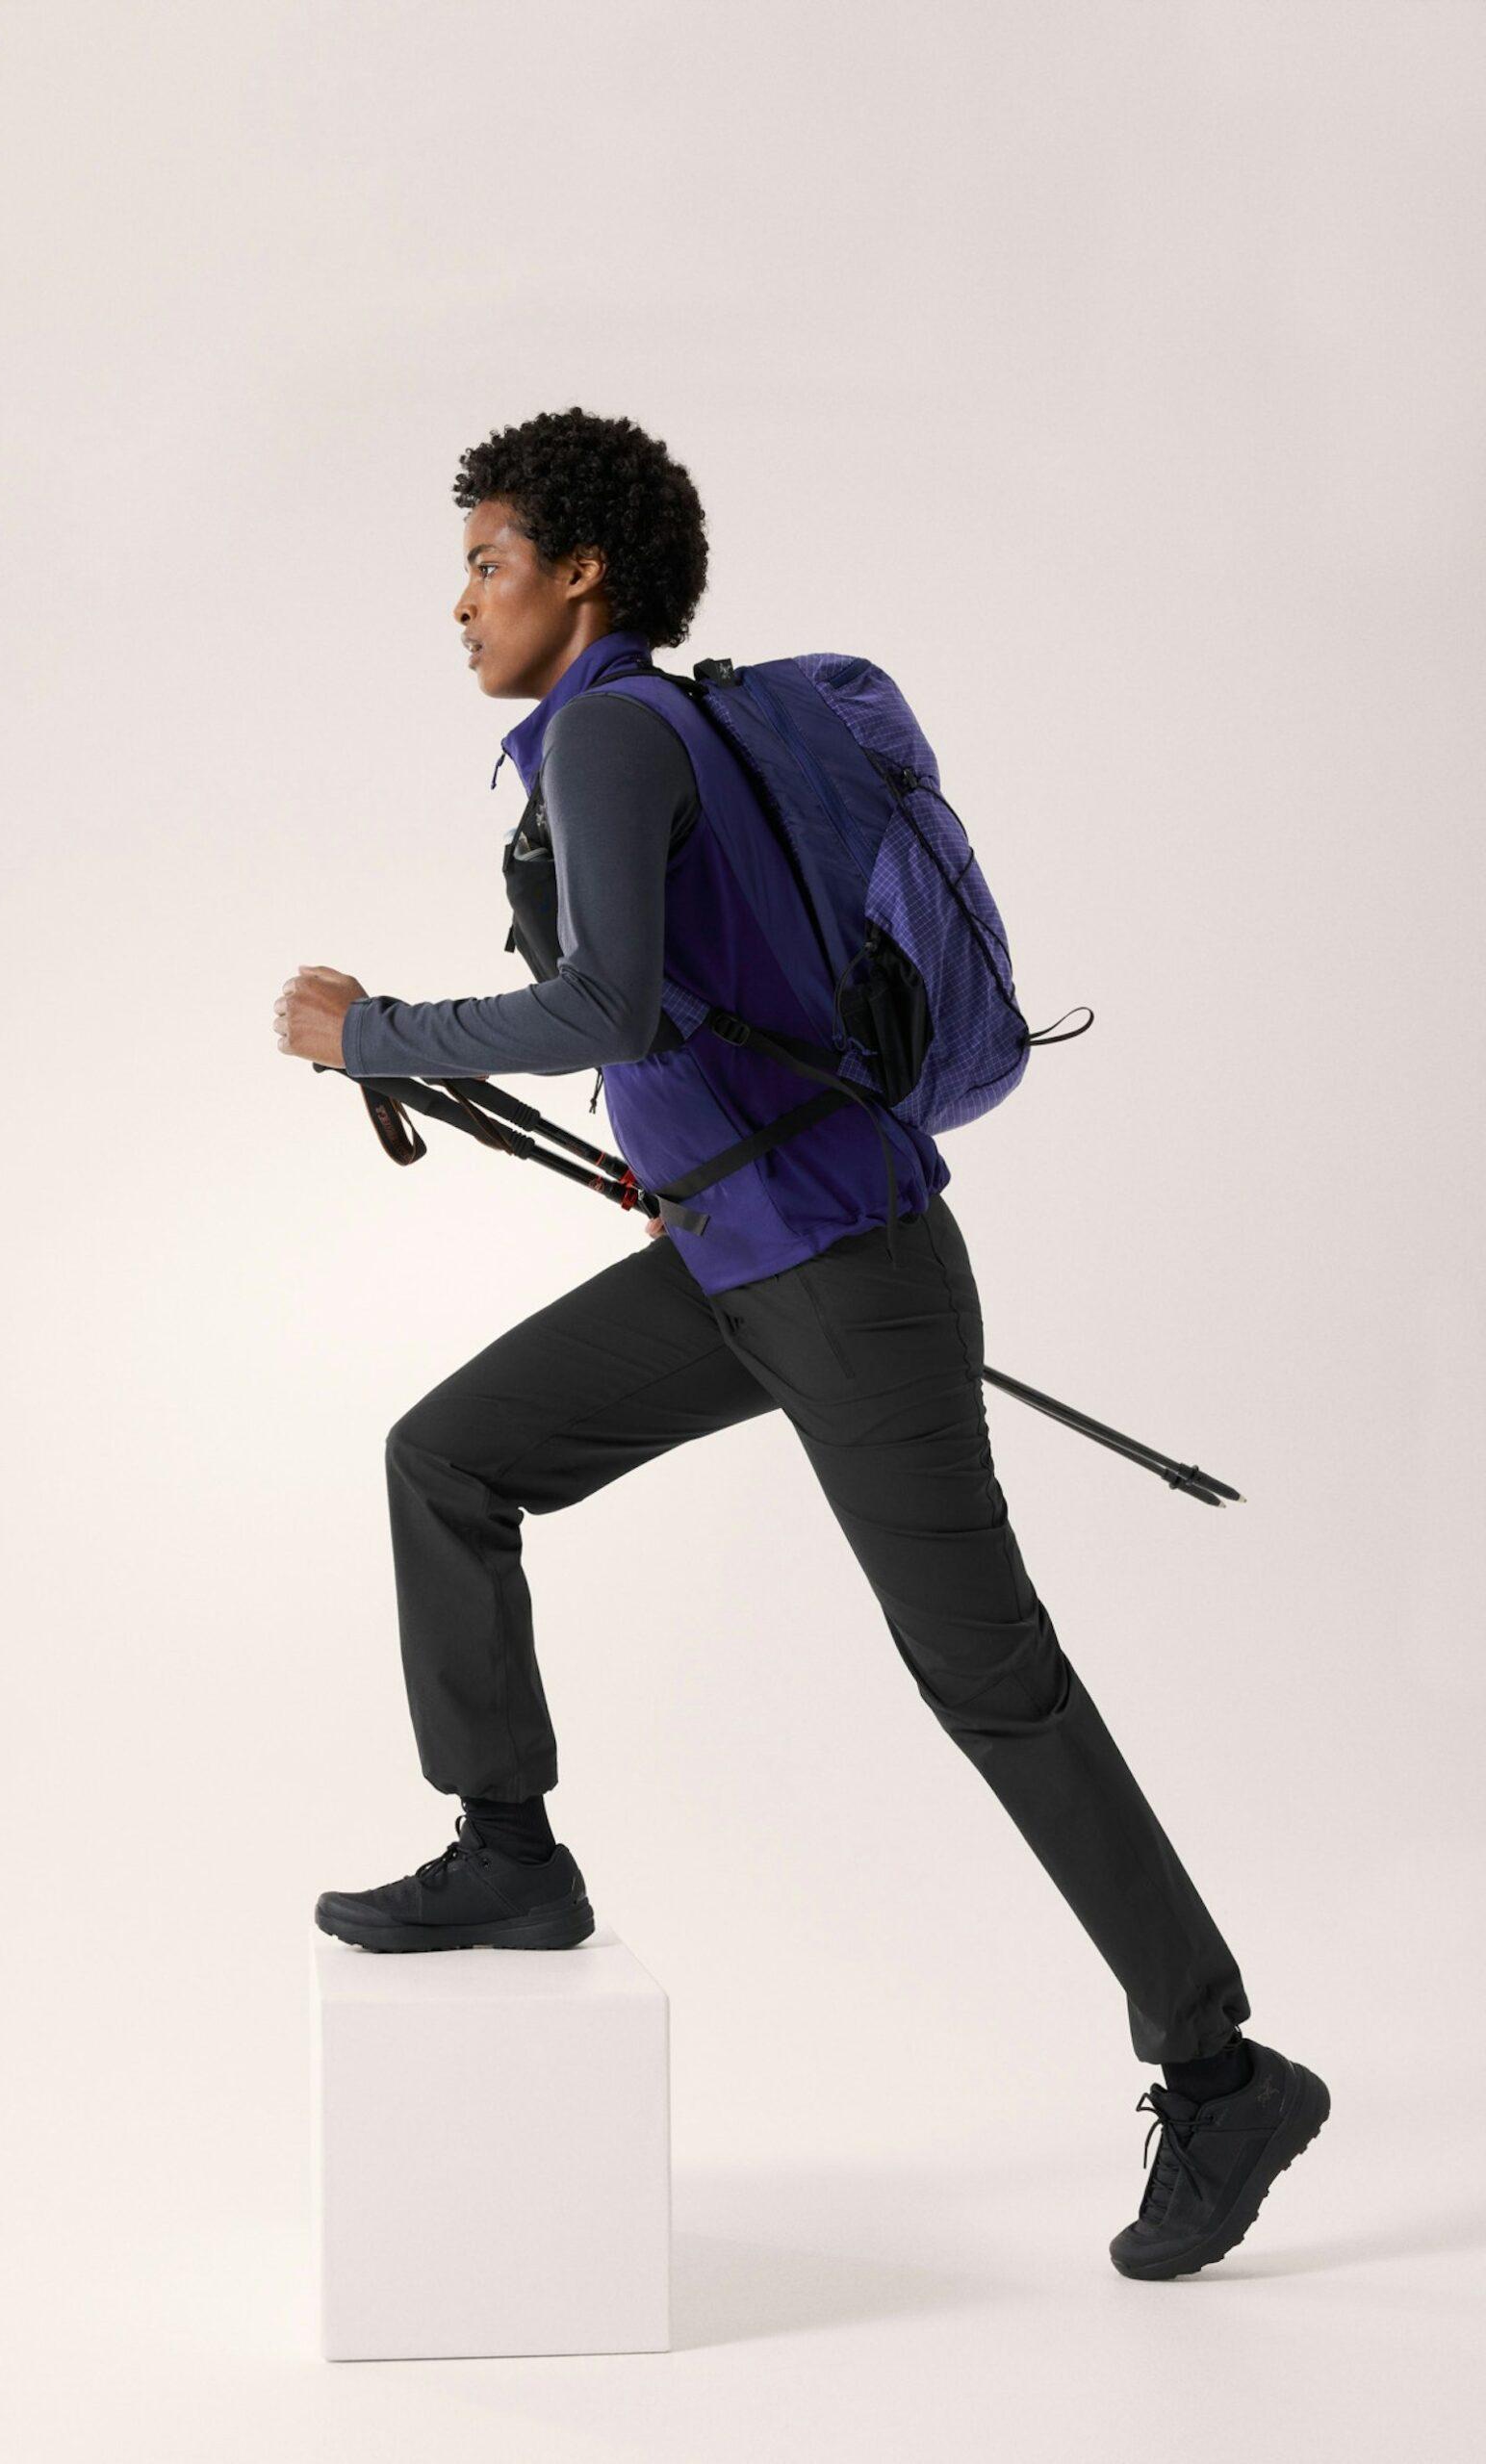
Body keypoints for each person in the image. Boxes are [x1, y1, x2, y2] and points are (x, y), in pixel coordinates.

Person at [272, 406, 1327, 2279]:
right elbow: (687, 1008)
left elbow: (604, 1000)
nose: (463, 602)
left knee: (991, 1680)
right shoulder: (662, 729)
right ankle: (510, 1850)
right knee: (450, 1456)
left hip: (842, 1272)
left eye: (489, 564)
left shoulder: (612, 729)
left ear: (582, 573)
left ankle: (1222, 2069)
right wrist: (671, 1169)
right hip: (741, 1258)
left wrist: (378, 1035)